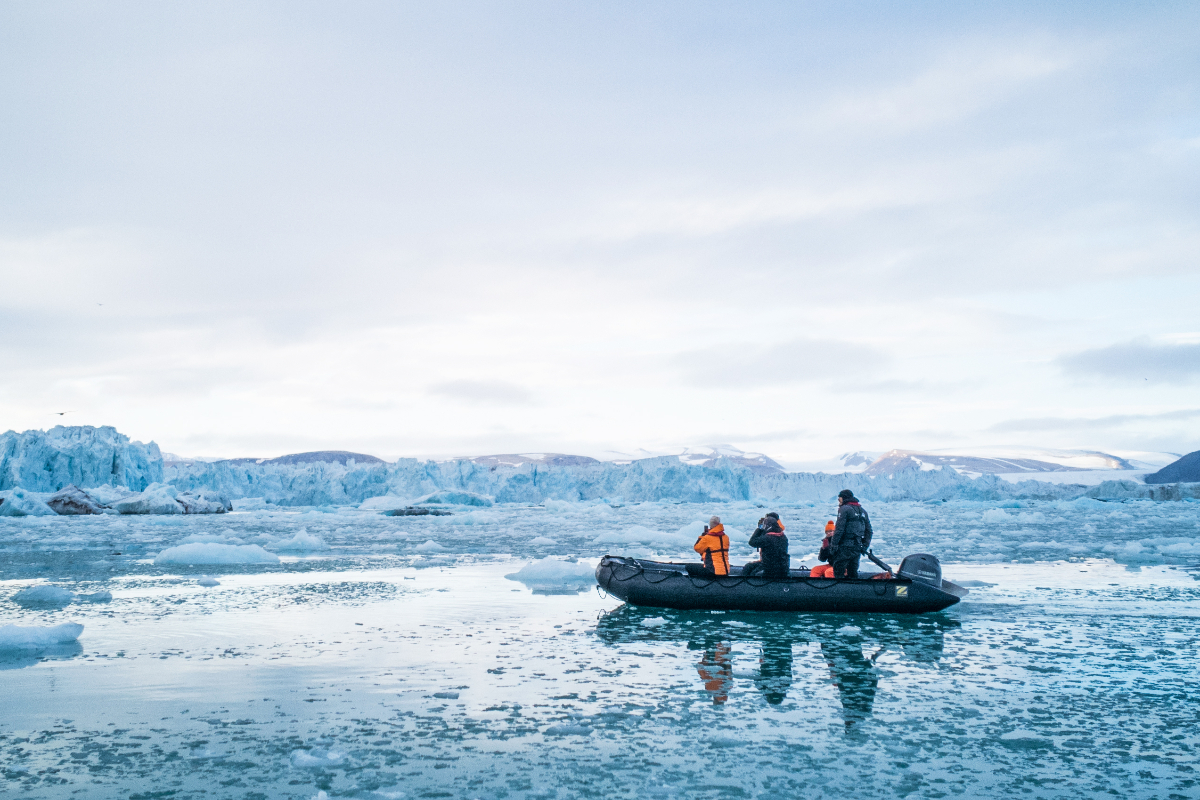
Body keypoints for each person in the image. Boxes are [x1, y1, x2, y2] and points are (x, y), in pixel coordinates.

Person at [830, 489, 873, 579]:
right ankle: (853, 590)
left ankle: (838, 590)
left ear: (844, 498)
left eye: (839, 498)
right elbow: (869, 531)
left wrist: (833, 544)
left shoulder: (844, 509)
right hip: (857, 546)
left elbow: (839, 529)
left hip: (845, 546)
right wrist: (865, 545)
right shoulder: (863, 511)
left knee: (838, 569)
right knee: (853, 571)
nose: (839, 501)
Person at [744, 512, 789, 578]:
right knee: (749, 567)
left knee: (752, 572)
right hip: (781, 567)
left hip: (770, 568)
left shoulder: (767, 538)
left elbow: (752, 542)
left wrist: (759, 528)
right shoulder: (783, 537)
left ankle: (746, 586)